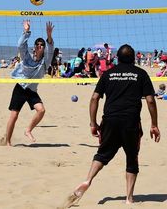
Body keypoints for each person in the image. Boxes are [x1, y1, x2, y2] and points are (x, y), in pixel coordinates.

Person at [62, 44, 160, 208]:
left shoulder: (108, 74)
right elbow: (150, 100)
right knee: (132, 158)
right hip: (131, 122)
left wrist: (93, 123)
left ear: (118, 58)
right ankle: (129, 198)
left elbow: (94, 98)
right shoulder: (141, 74)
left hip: (110, 121)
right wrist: (154, 124)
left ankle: (88, 180)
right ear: (134, 58)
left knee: (102, 154)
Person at [5, 20, 54, 146]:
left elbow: (50, 50)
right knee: (14, 115)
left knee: (41, 110)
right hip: (20, 88)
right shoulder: (26, 57)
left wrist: (49, 37)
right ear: (34, 46)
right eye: (37, 44)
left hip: (31, 91)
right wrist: (26, 31)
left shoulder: (45, 62)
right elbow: (21, 45)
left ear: (43, 49)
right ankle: (8, 142)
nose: (39, 45)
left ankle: (28, 130)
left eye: (41, 45)